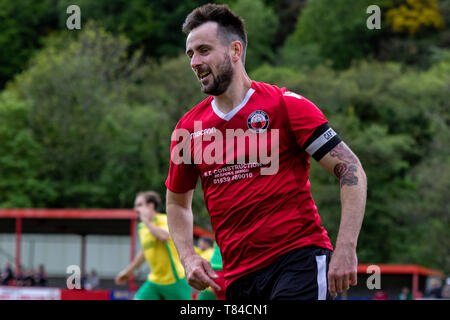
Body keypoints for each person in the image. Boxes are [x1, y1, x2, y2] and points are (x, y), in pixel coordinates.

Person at [165, 4, 367, 300]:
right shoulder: (188, 128)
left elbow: (351, 170)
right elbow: (177, 204)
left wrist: (347, 247)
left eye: (204, 50)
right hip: (237, 279)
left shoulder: (286, 105)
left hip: (298, 260)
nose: (195, 61)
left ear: (235, 51)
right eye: (190, 54)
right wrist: (188, 257)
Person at [115, 191, 191, 300]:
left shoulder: (164, 219)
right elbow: (144, 253)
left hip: (175, 280)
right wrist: (127, 272)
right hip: (154, 281)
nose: (136, 209)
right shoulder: (142, 228)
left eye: (139, 205)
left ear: (150, 206)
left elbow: (164, 236)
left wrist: (147, 222)